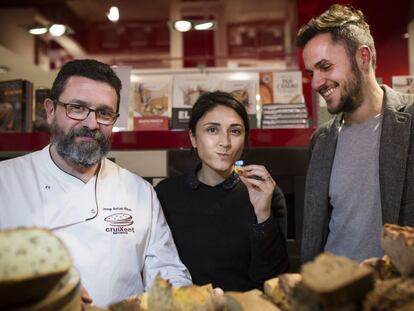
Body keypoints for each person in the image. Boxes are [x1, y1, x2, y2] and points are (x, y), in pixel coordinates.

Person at [0, 59, 191, 307]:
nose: (91, 124)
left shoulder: (139, 191)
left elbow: (166, 273)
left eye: (104, 113)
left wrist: (188, 300)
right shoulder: (6, 181)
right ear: (49, 110)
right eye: (77, 108)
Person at [297, 4, 414, 263]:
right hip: (333, 293)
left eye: (325, 66)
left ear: (363, 57)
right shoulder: (322, 139)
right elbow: (317, 230)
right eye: (311, 72)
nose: (316, 82)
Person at [155, 91, 289, 292]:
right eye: (212, 130)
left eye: (235, 131)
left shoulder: (265, 193)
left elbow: (273, 279)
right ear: (193, 137)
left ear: (244, 139)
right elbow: (158, 268)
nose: (225, 142)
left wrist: (263, 216)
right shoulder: (167, 194)